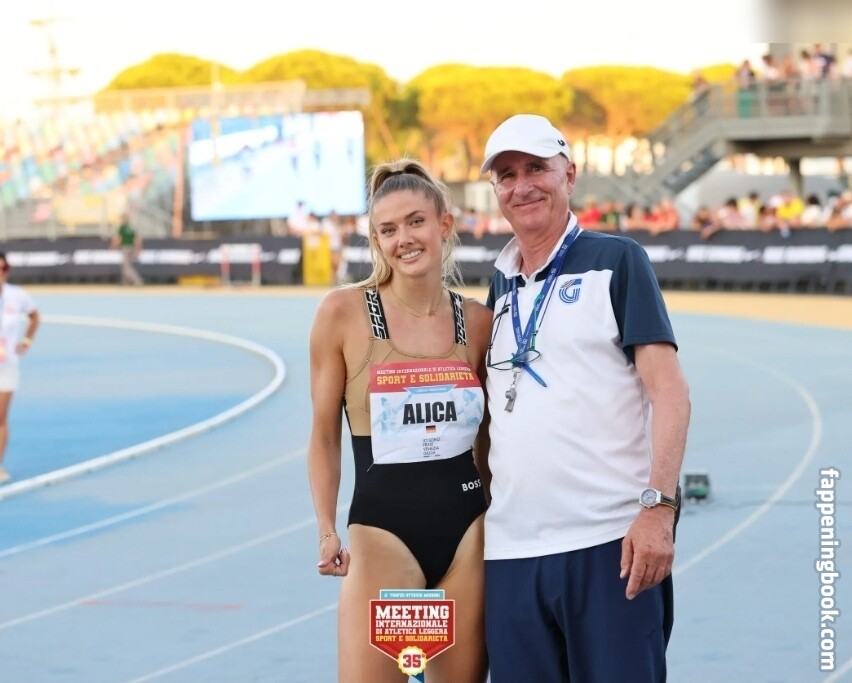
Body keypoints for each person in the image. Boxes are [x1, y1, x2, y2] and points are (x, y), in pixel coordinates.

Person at [478, 114, 691, 683]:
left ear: (569, 175)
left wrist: (659, 509)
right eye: (506, 175)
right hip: (510, 553)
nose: (522, 185)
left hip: (609, 545)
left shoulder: (618, 260)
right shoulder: (499, 286)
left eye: (536, 169)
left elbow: (670, 391)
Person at [307, 158, 492, 683]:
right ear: (376, 240)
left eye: (416, 222)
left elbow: (490, 440)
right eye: (388, 230)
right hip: (385, 539)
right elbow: (324, 436)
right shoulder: (342, 315)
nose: (404, 239)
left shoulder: (478, 322)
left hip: (468, 538)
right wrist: (326, 529)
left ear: (444, 225)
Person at [0, 253, 40, 484]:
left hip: (7, 365)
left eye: (3, 268)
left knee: (0, 417)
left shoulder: (17, 295)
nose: (0, 273)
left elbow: (35, 317)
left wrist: (26, 342)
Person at [111, 214, 144, 286]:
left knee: (126, 267)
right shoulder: (132, 228)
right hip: (132, 248)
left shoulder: (122, 228)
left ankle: (137, 280)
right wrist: (138, 247)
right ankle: (125, 282)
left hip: (125, 248)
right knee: (126, 266)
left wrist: (113, 246)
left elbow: (119, 239)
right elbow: (137, 239)